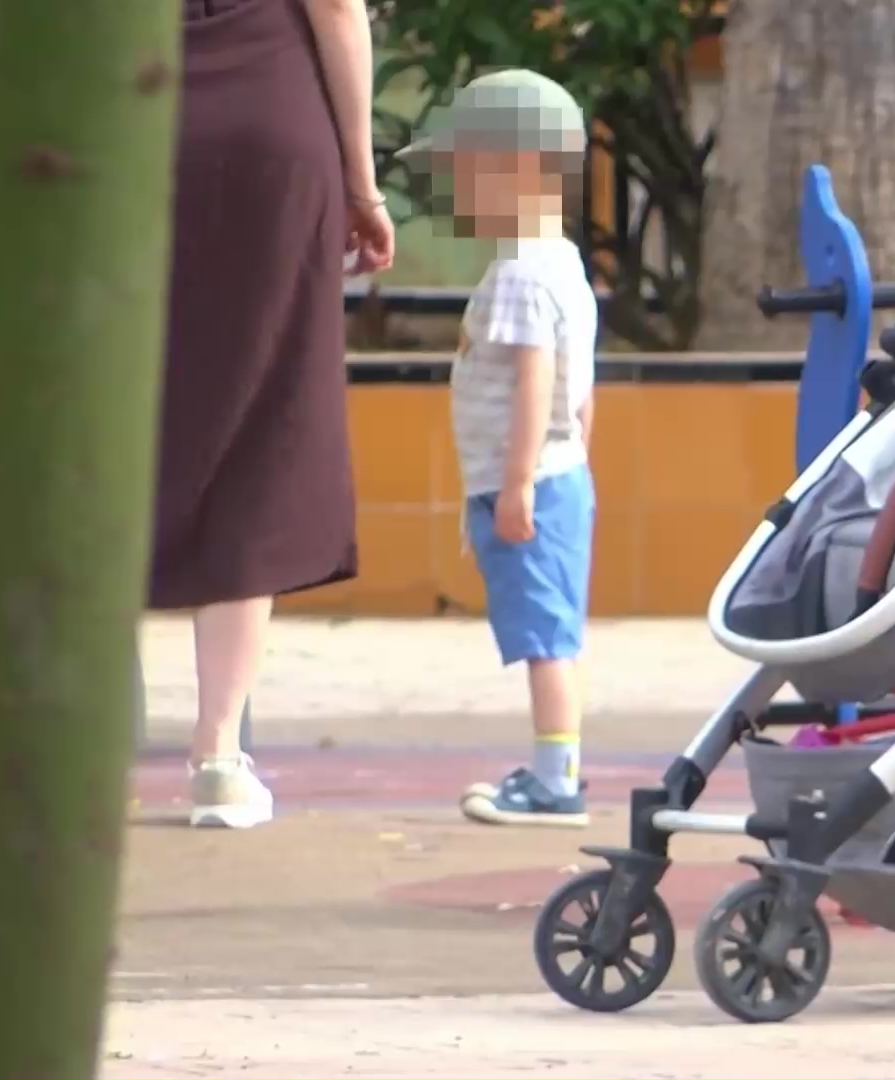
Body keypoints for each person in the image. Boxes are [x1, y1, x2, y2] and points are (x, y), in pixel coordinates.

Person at [161, 0, 394, 828]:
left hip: (129, 124)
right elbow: (334, 6)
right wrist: (363, 183)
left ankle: (60, 748)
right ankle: (217, 756)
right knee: (258, 423)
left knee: (124, 423)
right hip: (268, 124)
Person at [397, 70, 599, 827]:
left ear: (516, 169)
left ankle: (555, 784)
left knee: (546, 638)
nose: (456, 193)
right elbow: (580, 389)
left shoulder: (517, 276)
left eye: (464, 174)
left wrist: (514, 485)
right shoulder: (565, 265)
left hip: (531, 482)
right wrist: (569, 457)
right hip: (561, 475)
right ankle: (557, 767)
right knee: (556, 633)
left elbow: (532, 382)